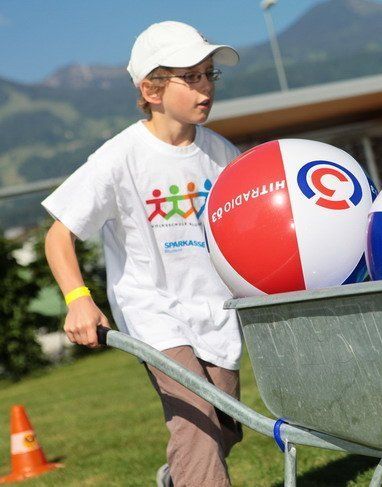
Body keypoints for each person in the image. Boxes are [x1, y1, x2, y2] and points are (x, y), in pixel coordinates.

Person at [43, 21, 244, 487]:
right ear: (151, 90)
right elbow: (59, 235)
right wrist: (78, 299)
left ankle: (177, 477)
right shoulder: (119, 158)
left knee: (225, 427)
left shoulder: (223, 154)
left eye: (209, 73)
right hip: (153, 311)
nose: (206, 87)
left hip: (216, 310)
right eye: (190, 77)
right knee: (197, 424)